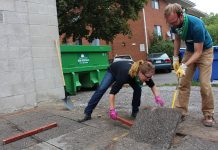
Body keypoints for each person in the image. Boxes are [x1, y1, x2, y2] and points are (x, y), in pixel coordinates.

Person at [164, 3, 215, 127]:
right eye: (170, 23)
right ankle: (180, 111)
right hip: (190, 51)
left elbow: (198, 52)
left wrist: (184, 65)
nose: (173, 25)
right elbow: (176, 39)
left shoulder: (196, 25)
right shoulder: (174, 24)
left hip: (204, 52)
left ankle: (208, 113)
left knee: (204, 84)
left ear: (181, 15)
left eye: (174, 21)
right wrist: (175, 58)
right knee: (183, 82)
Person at [78, 60, 165, 122]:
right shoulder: (124, 76)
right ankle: (87, 113)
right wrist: (112, 109)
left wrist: (157, 97)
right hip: (113, 70)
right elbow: (112, 93)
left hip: (130, 74)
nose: (148, 79)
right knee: (101, 89)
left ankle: (135, 112)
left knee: (138, 89)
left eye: (150, 77)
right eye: (147, 77)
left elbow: (153, 86)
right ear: (140, 73)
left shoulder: (145, 74)